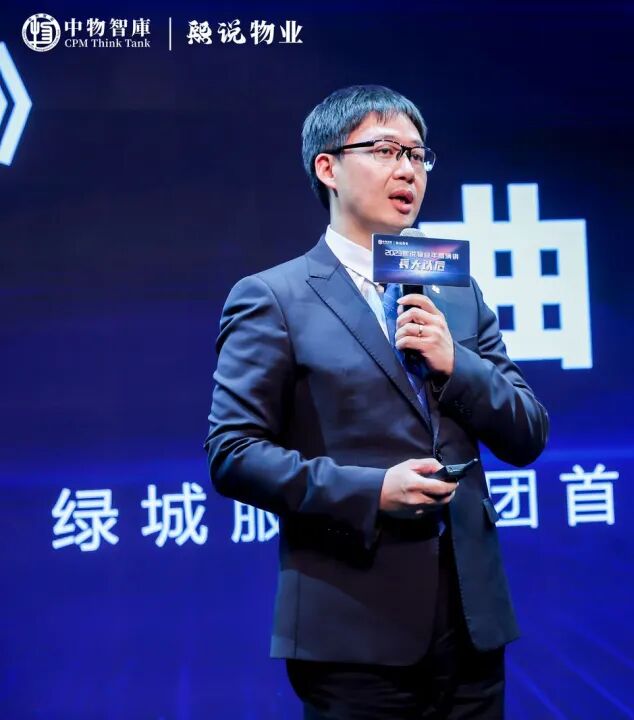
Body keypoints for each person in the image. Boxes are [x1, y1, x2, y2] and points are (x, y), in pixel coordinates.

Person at [205, 84, 549, 719]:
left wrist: (456, 363)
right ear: (328, 167)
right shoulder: (274, 297)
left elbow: (527, 433)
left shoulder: (455, 290)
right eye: (386, 150)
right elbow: (233, 453)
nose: (408, 171)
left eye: (418, 155)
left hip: (471, 626)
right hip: (352, 627)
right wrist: (373, 492)